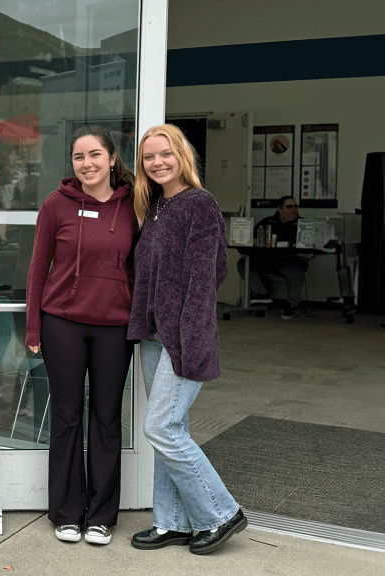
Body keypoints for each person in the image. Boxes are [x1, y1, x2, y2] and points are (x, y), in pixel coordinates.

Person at [127, 124, 247, 555]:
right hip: (155, 336)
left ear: (183, 156)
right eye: (148, 157)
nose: (157, 162)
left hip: (183, 338)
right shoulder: (157, 206)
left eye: (165, 154)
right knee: (169, 430)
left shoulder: (199, 204)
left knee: (159, 427)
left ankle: (220, 512)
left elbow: (207, 276)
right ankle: (171, 522)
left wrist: (192, 338)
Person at [25, 125, 137, 546]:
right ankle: (67, 512)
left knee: (107, 420)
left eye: (94, 155)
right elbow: (38, 269)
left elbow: (140, 268)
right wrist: (34, 326)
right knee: (66, 417)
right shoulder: (56, 204)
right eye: (78, 157)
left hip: (115, 328)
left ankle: (102, 515)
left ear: (111, 158)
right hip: (62, 324)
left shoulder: (134, 206)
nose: (86, 164)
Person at [237, 195, 309, 319]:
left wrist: (309, 253)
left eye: (296, 206)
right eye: (289, 206)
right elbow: (249, 239)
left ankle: (292, 304)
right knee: (243, 263)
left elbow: (312, 246)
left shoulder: (304, 224)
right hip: (267, 260)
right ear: (279, 209)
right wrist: (253, 241)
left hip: (289, 261)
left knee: (295, 267)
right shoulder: (268, 222)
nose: (294, 209)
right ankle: (260, 294)